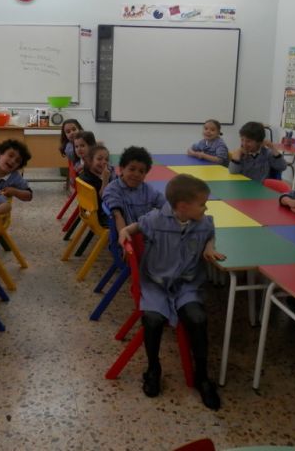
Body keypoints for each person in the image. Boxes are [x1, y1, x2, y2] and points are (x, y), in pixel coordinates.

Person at [118, 174, 224, 410]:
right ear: (183, 206)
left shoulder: (203, 222)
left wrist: (209, 246)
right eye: (202, 204)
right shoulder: (155, 219)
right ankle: (153, 369)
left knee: (197, 318)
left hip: (186, 285)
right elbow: (136, 227)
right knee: (152, 320)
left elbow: (210, 232)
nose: (206, 208)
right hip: (156, 283)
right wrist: (124, 231)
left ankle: (202, 376)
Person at [103, 146, 165, 233]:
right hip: (126, 236)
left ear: (146, 174)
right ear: (121, 169)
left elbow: (166, 205)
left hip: (147, 234)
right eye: (132, 169)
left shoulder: (148, 189)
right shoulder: (113, 189)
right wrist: (124, 237)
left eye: (141, 171)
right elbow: (117, 216)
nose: (136, 174)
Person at [77, 144, 116, 225]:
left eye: (106, 159)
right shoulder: (92, 181)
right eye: (99, 159)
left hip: (88, 214)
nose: (104, 162)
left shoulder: (85, 174)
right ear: (90, 161)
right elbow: (104, 198)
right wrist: (105, 180)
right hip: (101, 216)